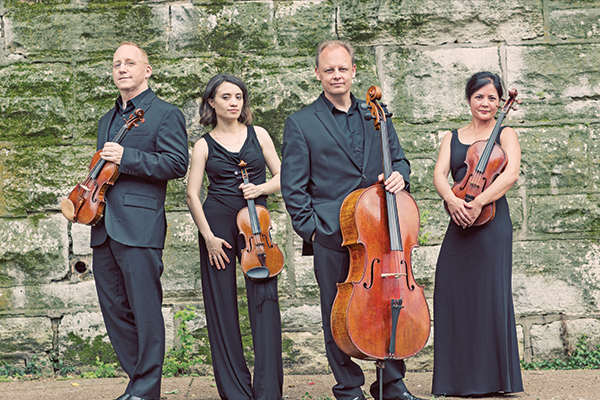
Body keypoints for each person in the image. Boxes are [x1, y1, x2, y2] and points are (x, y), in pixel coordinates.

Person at [281, 40, 424, 400]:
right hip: (333, 235)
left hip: (380, 231)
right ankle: (348, 388)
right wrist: (312, 230)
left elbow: (401, 162)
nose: (336, 75)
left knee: (389, 303)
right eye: (329, 69)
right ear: (317, 74)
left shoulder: (376, 114)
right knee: (338, 315)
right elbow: (293, 187)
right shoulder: (300, 123)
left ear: (354, 71)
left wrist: (400, 177)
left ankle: (391, 385)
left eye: (342, 68)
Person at [90, 42, 189, 400]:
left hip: (140, 227)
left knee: (145, 311)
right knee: (115, 311)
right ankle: (139, 384)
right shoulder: (106, 119)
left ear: (147, 70)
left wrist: (128, 156)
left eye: (130, 62)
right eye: (116, 63)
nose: (122, 68)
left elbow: (177, 164)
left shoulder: (165, 113)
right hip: (103, 228)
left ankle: (146, 391)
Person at [186, 73, 284, 400]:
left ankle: (268, 391)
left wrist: (261, 188)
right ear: (211, 102)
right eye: (225, 97)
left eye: (238, 97)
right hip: (218, 226)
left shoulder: (259, 135)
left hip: (257, 227)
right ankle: (236, 391)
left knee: (265, 302)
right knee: (221, 305)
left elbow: (284, 176)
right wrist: (208, 237)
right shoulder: (202, 145)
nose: (233, 103)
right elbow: (191, 194)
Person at [431, 71, 523, 397]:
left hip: (492, 221)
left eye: (492, 98)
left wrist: (479, 200)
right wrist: (453, 200)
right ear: (469, 99)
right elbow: (440, 174)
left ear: (501, 102)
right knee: (450, 290)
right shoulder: (451, 137)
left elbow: (509, 174)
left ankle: (493, 380)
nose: (485, 103)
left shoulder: (506, 133)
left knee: (489, 295)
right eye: (479, 96)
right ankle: (453, 380)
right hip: (458, 217)